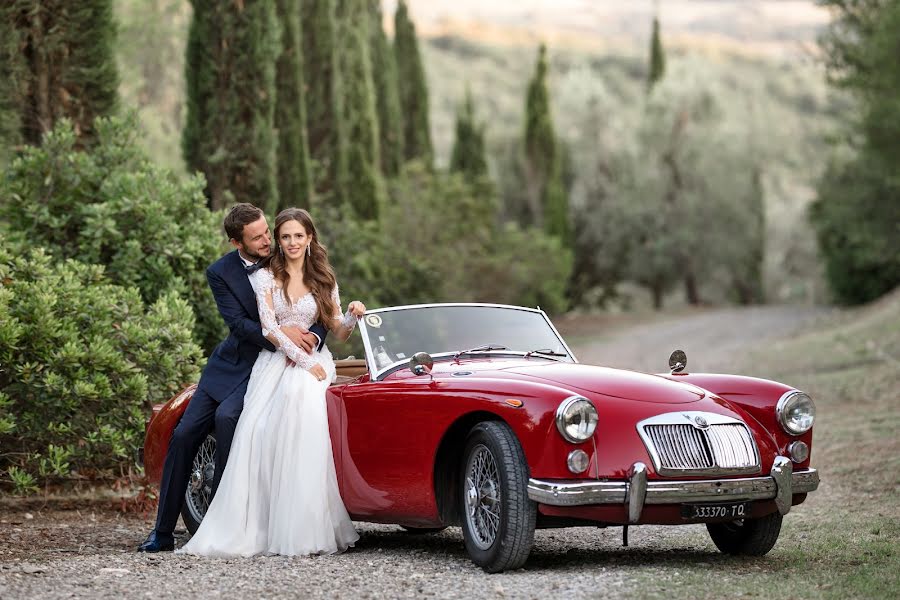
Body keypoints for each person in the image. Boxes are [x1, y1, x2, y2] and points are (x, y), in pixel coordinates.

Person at [138, 204, 328, 553]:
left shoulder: (283, 256)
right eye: (257, 238)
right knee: (183, 435)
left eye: (267, 232)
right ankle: (162, 531)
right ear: (235, 242)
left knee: (228, 420)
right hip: (231, 362)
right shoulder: (220, 272)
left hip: (269, 364)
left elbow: (317, 303)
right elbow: (238, 325)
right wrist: (279, 332)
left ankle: (222, 520)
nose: (268, 241)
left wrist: (305, 335)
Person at [177, 208, 363, 557]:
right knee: (259, 429)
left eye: (298, 235)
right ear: (279, 241)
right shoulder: (267, 277)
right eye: (285, 236)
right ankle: (261, 522)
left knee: (303, 404)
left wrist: (352, 315)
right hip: (277, 359)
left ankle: (305, 523)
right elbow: (269, 329)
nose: (291, 242)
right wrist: (303, 360)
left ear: (309, 238)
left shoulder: (324, 277)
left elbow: (338, 330)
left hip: (314, 364)